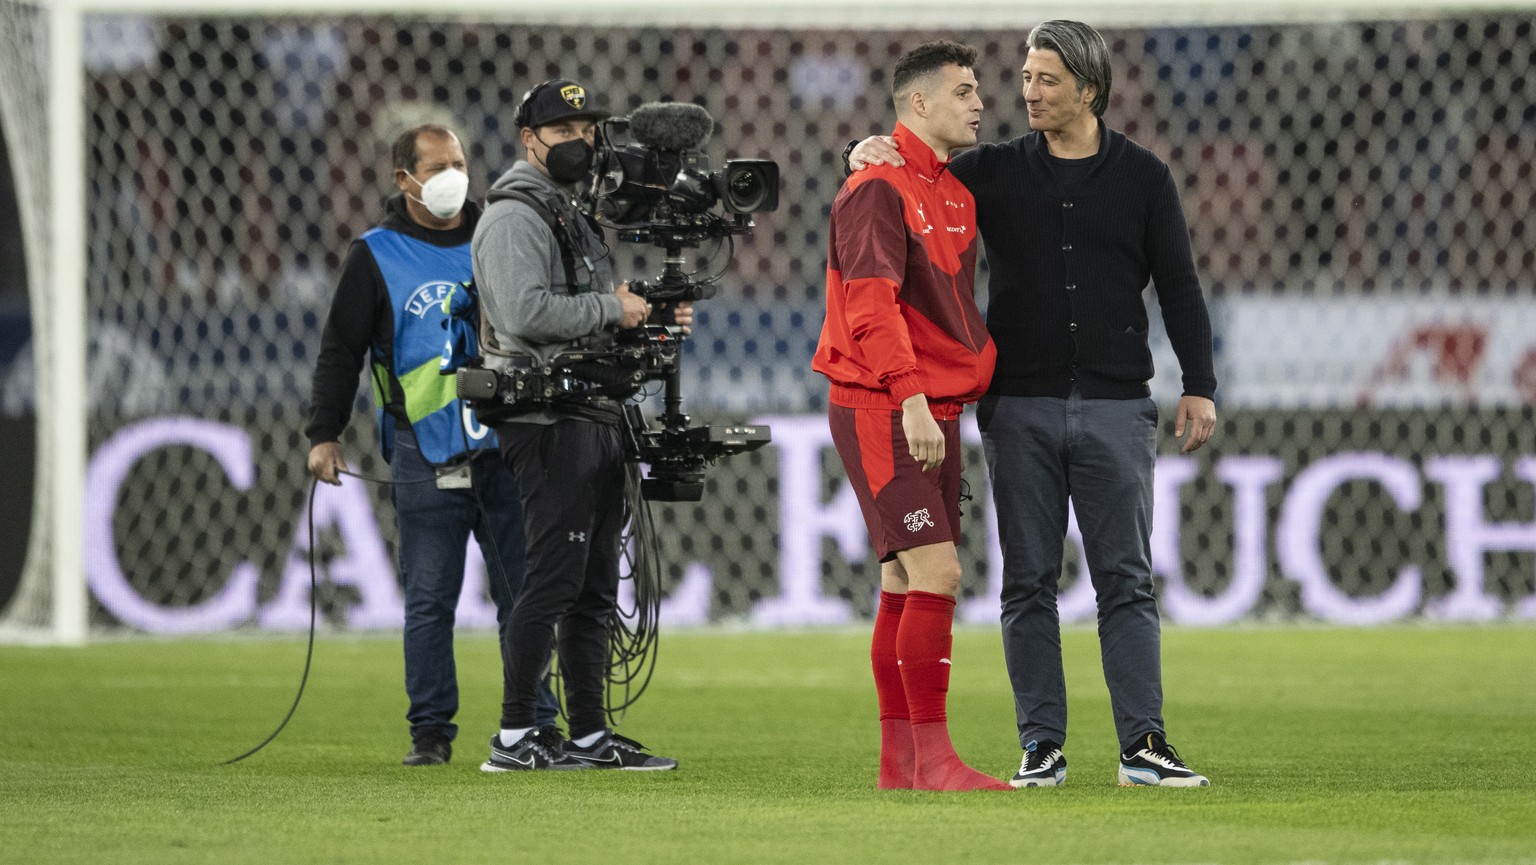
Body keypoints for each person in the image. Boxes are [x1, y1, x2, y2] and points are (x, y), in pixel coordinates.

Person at [848, 20, 1217, 788]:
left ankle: (1143, 743)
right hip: (1018, 406)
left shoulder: (1144, 177)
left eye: (1046, 79)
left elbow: (1179, 284)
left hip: (1119, 404)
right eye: (1025, 77)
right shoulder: (990, 171)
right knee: (1027, 581)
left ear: (1089, 87)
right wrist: (861, 148)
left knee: (1126, 578)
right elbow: (904, 177)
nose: (1027, 92)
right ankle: (1041, 744)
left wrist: (1199, 382)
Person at [306, 123, 557, 766]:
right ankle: (430, 732)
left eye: (459, 161)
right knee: (429, 599)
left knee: (523, 594)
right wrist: (324, 434)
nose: (454, 174)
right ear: (403, 179)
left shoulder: (502, 232)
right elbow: (342, 351)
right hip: (425, 448)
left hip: (510, 443)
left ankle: (534, 725)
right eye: (438, 164)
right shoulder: (375, 254)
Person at [473, 78, 689, 772]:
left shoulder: (563, 208)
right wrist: (612, 309)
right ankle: (514, 736)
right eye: (565, 132)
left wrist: (647, 315)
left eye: (588, 130)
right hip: (544, 415)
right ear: (528, 139)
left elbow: (589, 311)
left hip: (588, 410)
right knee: (555, 578)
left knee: (594, 586)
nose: (582, 142)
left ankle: (590, 736)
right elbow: (525, 313)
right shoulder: (514, 215)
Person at [814, 41, 1009, 792]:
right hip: (888, 404)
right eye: (963, 91)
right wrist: (912, 397)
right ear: (918, 105)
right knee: (939, 569)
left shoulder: (954, 192)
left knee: (901, 576)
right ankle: (935, 758)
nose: (978, 102)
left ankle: (902, 764)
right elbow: (869, 306)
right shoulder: (876, 188)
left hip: (932, 403)